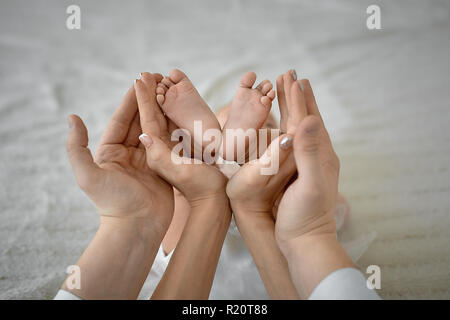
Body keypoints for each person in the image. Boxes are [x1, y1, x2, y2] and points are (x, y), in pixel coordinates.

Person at [54, 70, 379, 300]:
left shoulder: (286, 193)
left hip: (262, 258)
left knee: (280, 185)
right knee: (180, 197)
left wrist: (292, 182)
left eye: (266, 125)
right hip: (284, 271)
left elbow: (329, 208)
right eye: (226, 131)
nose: (261, 126)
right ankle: (220, 156)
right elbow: (336, 215)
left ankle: (217, 150)